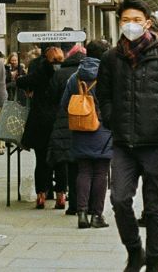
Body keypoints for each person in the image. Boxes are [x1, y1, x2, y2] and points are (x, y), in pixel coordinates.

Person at [96, 0, 158, 272]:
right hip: (124, 143)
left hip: (156, 143)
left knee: (154, 207)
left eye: (137, 20)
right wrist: (111, 117)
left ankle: (155, 261)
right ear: (119, 23)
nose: (131, 25)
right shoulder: (111, 58)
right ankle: (135, 250)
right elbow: (103, 95)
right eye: (126, 20)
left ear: (148, 23)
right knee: (120, 200)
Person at [63, 41, 112, 229]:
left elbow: (64, 104)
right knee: (100, 172)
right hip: (103, 128)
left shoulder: (75, 77)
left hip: (80, 128)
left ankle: (81, 213)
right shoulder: (109, 75)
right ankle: (96, 215)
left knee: (83, 171)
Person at [16, 45, 65, 209]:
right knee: (60, 161)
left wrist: (30, 88)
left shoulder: (39, 73)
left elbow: (20, 82)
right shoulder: (65, 75)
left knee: (42, 161)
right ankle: (61, 196)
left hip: (40, 123)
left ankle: (41, 196)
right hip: (59, 123)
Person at [46, 43, 86, 212]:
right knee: (88, 167)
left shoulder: (61, 74)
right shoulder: (90, 73)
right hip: (88, 121)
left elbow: (52, 97)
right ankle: (88, 205)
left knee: (71, 165)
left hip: (65, 122)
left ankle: (74, 205)